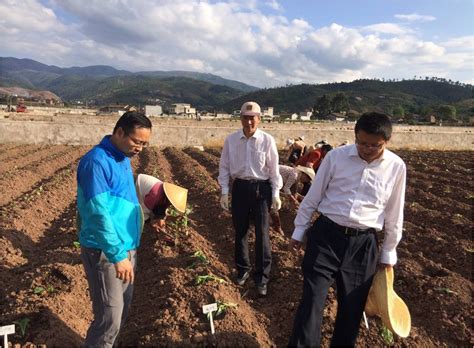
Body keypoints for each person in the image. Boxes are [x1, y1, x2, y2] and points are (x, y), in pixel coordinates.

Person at [288, 112, 407, 347]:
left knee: (352, 308)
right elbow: (313, 196)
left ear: (387, 141)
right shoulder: (336, 158)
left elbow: (395, 214)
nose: (368, 149)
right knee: (311, 300)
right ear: (355, 137)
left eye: (375, 145)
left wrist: (388, 252)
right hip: (326, 236)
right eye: (363, 143)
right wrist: (299, 230)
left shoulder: (396, 167)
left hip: (363, 245)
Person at [77, 111, 152, 347]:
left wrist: (149, 216)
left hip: (126, 247)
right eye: (137, 141)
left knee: (120, 315)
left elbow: (123, 201)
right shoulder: (96, 162)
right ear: (119, 132)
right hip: (105, 252)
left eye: (144, 143)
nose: (140, 148)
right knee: (109, 319)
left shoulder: (122, 159)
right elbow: (99, 213)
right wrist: (118, 255)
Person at [218, 101, 282, 296]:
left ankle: (262, 277)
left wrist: (276, 193)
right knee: (241, 232)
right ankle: (242, 270)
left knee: (263, 234)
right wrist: (224, 191)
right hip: (240, 188)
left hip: (261, 190)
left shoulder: (267, 140)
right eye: (245, 118)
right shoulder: (231, 140)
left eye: (252, 118)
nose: (249, 122)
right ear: (241, 119)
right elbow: (224, 166)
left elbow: (274, 169)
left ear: (259, 119)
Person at [270, 165, 315, 234]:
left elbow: (293, 192)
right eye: (306, 180)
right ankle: (277, 227)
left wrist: (299, 197)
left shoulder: (296, 176)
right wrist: (293, 199)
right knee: (274, 205)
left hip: (273, 180)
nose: (304, 182)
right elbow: (286, 188)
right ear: (304, 175)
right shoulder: (294, 175)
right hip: (270, 178)